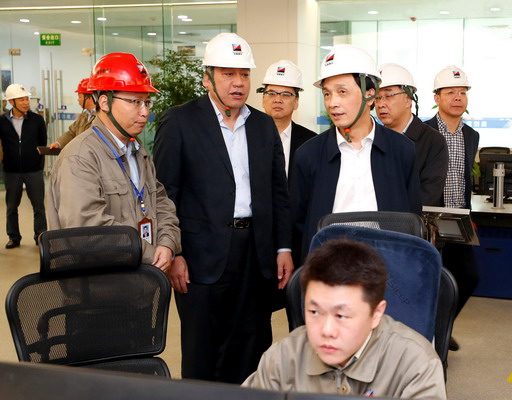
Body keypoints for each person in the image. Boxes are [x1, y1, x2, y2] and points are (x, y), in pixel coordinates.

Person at [153, 32, 293, 383]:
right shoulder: (179, 122)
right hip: (200, 257)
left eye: (244, 74)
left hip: (255, 255)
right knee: (203, 351)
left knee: (252, 345)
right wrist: (175, 253)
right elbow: (164, 194)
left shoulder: (263, 125)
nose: (238, 82)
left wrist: (283, 247)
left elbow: (278, 193)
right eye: (228, 73)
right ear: (207, 78)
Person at [243, 238, 446, 399]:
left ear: (376, 313)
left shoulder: (416, 364)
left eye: (341, 315)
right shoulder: (283, 356)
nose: (326, 330)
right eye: (314, 312)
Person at [46, 52, 180, 269]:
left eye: (147, 102)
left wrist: (167, 244)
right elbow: (89, 232)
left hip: (142, 276)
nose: (145, 112)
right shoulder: (80, 157)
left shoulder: (137, 150)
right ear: (104, 102)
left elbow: (161, 203)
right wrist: (151, 254)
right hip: (100, 283)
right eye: (135, 102)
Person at [290, 45, 421, 262]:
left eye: (342, 92)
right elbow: (299, 222)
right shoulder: (308, 154)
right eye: (327, 94)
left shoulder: (402, 150)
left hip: (387, 264)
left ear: (370, 94)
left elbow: (411, 216)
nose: (332, 103)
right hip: (328, 265)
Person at [424, 65, 480, 351]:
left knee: (469, 276)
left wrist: (469, 214)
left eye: (462, 93)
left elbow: (464, 177)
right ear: (437, 98)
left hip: (458, 218)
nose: (458, 98)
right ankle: (432, 335)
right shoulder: (423, 132)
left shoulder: (471, 135)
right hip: (429, 218)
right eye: (450, 92)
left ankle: (443, 325)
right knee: (431, 280)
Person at [376, 63, 448, 206]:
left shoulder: (433, 141)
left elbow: (429, 195)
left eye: (388, 96)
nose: (381, 104)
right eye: (377, 98)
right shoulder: (373, 139)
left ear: (408, 100)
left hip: (413, 219)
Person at [0, 83, 47, 248]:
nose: (26, 102)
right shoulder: (2, 121)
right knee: (11, 207)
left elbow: (42, 143)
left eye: (27, 99)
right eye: (21, 99)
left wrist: (38, 163)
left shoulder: (37, 120)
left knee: (39, 206)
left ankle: (40, 236)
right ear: (11, 102)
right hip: (11, 171)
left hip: (34, 170)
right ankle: (14, 237)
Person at [258, 59, 316, 179]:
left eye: (286, 94)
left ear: (296, 102)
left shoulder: (311, 141)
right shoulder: (247, 135)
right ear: (263, 100)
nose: (278, 100)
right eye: (272, 93)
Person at [48, 78, 96, 149]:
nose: (78, 100)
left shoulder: (101, 116)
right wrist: (58, 143)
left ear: (89, 98)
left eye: (80, 97)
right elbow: (71, 133)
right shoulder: (84, 116)